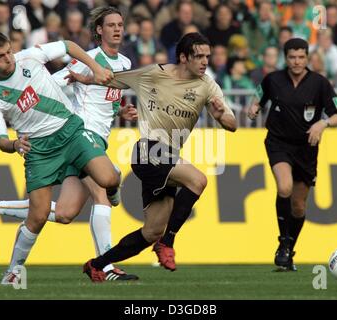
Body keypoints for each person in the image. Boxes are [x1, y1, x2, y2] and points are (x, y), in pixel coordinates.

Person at [0, 7, 139, 281]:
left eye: (9, 52)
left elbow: (79, 61)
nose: (8, 60)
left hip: (70, 133)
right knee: (45, 214)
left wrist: (117, 106)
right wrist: (14, 145)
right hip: (47, 146)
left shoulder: (31, 57)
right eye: (0, 57)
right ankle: (19, 273)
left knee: (74, 207)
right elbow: (0, 138)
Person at [69, 32, 237, 282]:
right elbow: (112, 80)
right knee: (198, 180)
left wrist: (221, 115)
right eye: (199, 56)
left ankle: (97, 264)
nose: (204, 62)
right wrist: (83, 78)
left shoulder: (207, 85)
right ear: (183, 57)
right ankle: (167, 243)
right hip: (148, 150)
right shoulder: (153, 74)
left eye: (207, 57)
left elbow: (232, 124)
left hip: (167, 158)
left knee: (151, 230)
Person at [247, 38, 337, 271]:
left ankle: (289, 249)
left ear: (307, 57)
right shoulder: (273, 79)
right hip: (278, 142)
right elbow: (257, 98)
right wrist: (254, 107)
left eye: (301, 57)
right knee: (284, 187)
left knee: (299, 206)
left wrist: (322, 124)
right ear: (286, 58)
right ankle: (282, 243)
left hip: (306, 149)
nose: (297, 61)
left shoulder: (320, 83)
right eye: (292, 57)